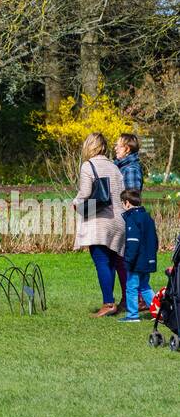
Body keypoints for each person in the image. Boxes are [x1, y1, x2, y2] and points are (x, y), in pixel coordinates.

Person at [73, 130, 127, 316]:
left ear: (90, 146)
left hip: (100, 221)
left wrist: (75, 203)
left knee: (101, 261)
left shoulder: (88, 166)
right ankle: (111, 302)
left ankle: (108, 303)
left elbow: (85, 193)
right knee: (111, 262)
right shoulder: (115, 167)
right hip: (119, 221)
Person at [117, 188, 158, 323]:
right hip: (147, 260)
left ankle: (132, 315)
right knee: (144, 286)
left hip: (136, 262)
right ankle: (159, 313)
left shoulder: (132, 218)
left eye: (122, 203)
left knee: (131, 287)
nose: (123, 207)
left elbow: (132, 242)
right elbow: (155, 241)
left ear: (127, 203)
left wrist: (128, 260)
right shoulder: (147, 217)